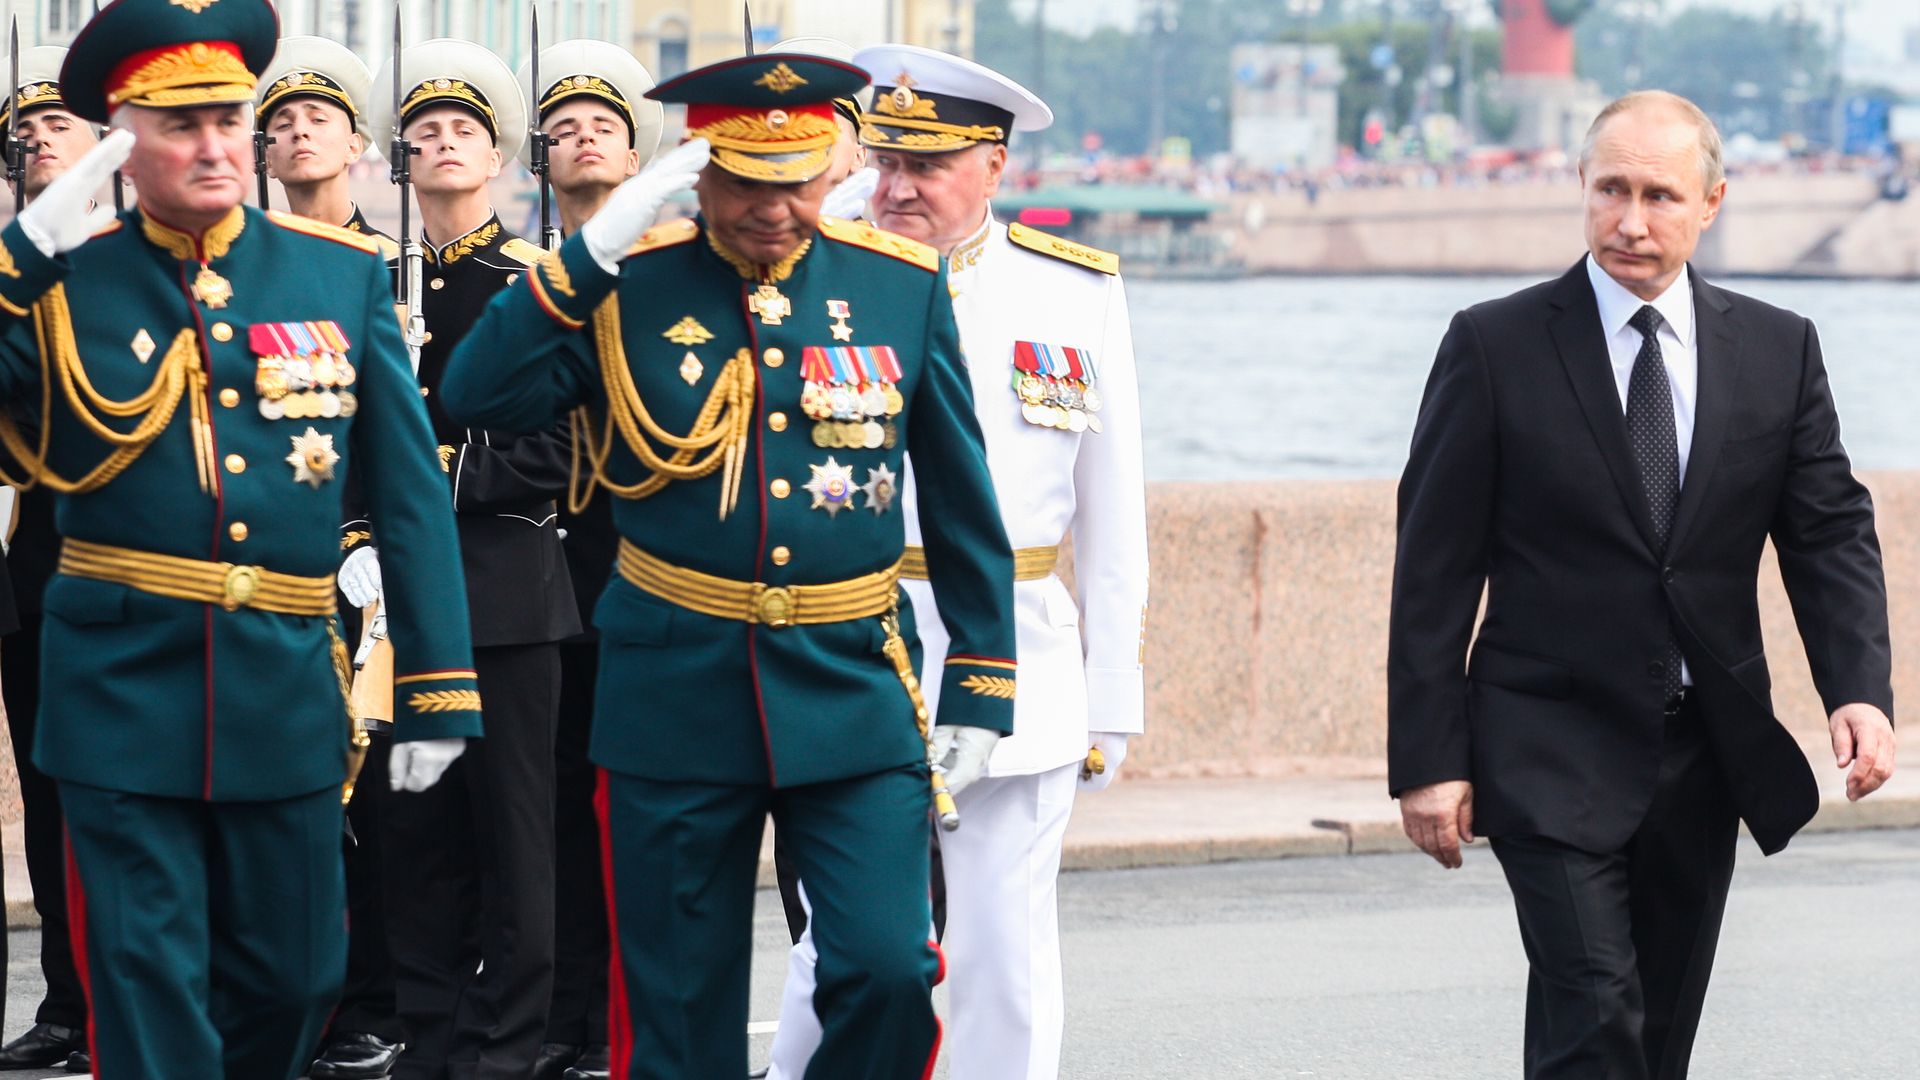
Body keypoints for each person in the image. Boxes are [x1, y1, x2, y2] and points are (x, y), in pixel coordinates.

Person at [440, 52, 1020, 1080]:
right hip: (675, 691)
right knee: (677, 1011)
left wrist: (981, 681)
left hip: (849, 686)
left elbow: (960, 496)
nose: (773, 209)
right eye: (747, 181)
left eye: (796, 181)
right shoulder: (629, 286)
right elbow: (477, 394)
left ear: (832, 169)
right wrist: (588, 258)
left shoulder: (896, 285)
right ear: (701, 172)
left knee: (888, 969)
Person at [0, 1, 484, 1076]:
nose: (216, 144)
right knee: (148, 977)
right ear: (125, 143)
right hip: (119, 691)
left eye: (229, 119)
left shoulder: (336, 273)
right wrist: (16, 262)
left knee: (297, 977)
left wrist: (439, 687)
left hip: (283, 685)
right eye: (182, 126)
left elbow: (409, 495)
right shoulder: (63, 281)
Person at [1389, 90, 1897, 1080]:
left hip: (1703, 754)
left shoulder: (1779, 348)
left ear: (1711, 202)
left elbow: (1829, 532)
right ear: (1581, 185)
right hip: (1543, 743)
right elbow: (1433, 571)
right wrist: (1427, 758)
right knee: (1596, 1019)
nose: (1630, 220)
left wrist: (1859, 691)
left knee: (1654, 1043)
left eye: (1659, 196)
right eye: (1610, 190)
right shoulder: (1493, 345)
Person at [766, 44, 1150, 1080]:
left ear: (993, 166)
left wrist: (1112, 692)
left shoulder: (1069, 292)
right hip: (850, 640)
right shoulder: (815, 271)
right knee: (840, 938)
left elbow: (1113, 508)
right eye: (884, 161)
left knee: (1001, 949)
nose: (897, 187)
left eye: (926, 166)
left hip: (1017, 650)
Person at [365, 38, 581, 1080]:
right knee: (414, 837)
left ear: (497, 159)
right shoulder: (368, 285)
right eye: (423, 134)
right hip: (396, 602)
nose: (443, 144)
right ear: (399, 161)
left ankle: (507, 1043)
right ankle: (432, 1032)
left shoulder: (531, 286)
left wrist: (425, 471)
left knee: (513, 833)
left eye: (464, 131)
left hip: (504, 595)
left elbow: (560, 447)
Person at [253, 36, 407, 1080]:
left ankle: (374, 1001)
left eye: (320, 119)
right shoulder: (245, 273)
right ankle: (299, 1002)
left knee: (385, 798)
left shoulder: (388, 270)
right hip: (283, 570)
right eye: (282, 121)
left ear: (359, 146)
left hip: (381, 573)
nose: (298, 133)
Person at [512, 38, 663, 1080]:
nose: (583, 141)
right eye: (562, 130)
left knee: (642, 820)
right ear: (541, 162)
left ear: (635, 153)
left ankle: (626, 1023)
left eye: (603, 126)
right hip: (543, 580)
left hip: (636, 578)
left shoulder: (667, 278)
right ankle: (566, 1018)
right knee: (554, 813)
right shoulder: (527, 285)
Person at [0, 45, 98, 1077]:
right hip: (30, 567)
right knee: (49, 792)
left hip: (133, 564)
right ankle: (69, 1004)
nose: (35, 142)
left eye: (56, 125)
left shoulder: (133, 258)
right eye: (22, 133)